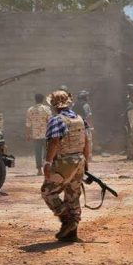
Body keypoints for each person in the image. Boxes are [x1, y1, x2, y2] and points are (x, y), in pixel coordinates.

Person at [41, 90, 92, 242]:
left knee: (48, 192)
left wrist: (48, 162)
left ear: (53, 105)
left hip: (64, 162)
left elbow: (54, 142)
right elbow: (87, 141)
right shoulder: (80, 119)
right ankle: (72, 233)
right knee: (73, 195)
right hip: (79, 160)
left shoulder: (56, 120)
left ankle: (67, 220)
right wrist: (86, 162)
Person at [26, 93, 52, 175]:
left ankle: (39, 170)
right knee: (47, 152)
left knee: (37, 153)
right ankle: (46, 167)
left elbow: (28, 124)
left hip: (36, 135)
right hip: (46, 134)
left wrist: (28, 134)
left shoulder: (30, 110)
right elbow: (50, 122)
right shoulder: (47, 109)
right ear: (43, 99)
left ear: (35, 99)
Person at [73, 91, 94, 159]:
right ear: (84, 97)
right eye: (86, 96)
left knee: (77, 141)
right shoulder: (86, 105)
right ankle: (88, 157)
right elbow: (89, 116)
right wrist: (91, 126)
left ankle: (78, 156)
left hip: (75, 126)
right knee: (88, 141)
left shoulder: (74, 105)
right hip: (85, 126)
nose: (87, 97)